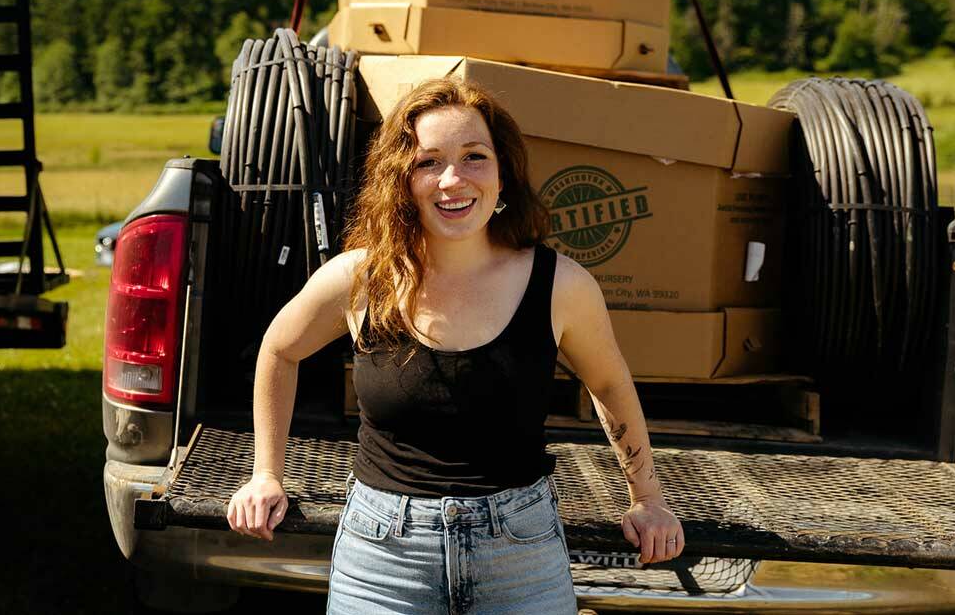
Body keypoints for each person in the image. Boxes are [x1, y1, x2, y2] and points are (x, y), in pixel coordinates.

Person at [227, 78, 683, 613]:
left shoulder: (561, 285)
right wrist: (265, 474)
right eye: (428, 162)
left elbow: (607, 383)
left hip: (521, 554)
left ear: (502, 172)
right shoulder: (362, 278)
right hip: (383, 557)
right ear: (402, 180)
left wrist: (648, 499)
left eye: (474, 157)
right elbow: (280, 350)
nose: (452, 179)